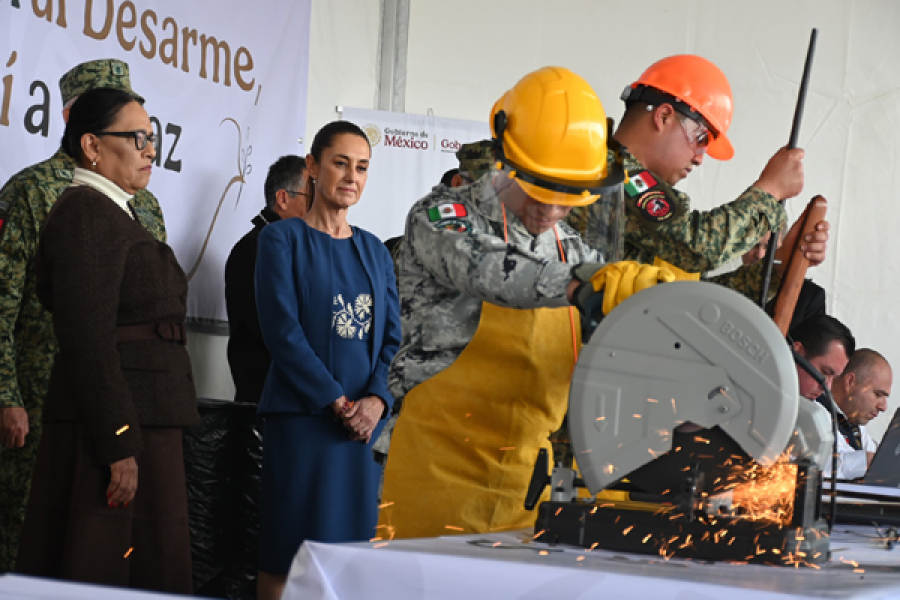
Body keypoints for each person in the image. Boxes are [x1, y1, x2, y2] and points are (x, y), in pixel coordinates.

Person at [378, 66, 689, 540]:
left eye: (567, 200)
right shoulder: (443, 219)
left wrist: (654, 301)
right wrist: (583, 285)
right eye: (539, 192)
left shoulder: (570, 249)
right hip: (427, 478)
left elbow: (611, 330)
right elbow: (492, 269)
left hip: (523, 491)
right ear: (505, 160)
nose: (549, 212)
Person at [15, 88, 197, 592]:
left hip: (144, 416)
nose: (150, 150)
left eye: (152, 138)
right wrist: (118, 442)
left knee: (143, 574)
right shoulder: (84, 212)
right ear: (92, 146)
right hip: (115, 429)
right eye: (136, 137)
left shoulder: (117, 211)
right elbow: (87, 336)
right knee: (100, 571)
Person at [253, 121, 401, 600]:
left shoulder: (376, 251)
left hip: (363, 435)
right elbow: (283, 334)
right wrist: (337, 403)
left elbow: (394, 340)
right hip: (303, 424)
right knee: (285, 554)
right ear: (313, 167)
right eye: (340, 163)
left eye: (361, 167)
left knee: (354, 558)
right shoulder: (281, 241)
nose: (351, 176)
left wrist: (377, 400)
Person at [566, 54, 828, 298]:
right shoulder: (607, 171)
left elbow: (687, 298)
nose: (700, 158)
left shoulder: (625, 182)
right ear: (664, 116)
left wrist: (780, 268)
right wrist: (769, 191)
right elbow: (700, 246)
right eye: (701, 138)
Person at [225, 155, 309, 405]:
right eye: (311, 196)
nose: (320, 206)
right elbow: (276, 331)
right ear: (283, 198)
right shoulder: (251, 251)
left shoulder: (301, 248)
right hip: (268, 402)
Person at [819, 349, 892, 480]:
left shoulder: (855, 422)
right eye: (878, 395)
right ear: (850, 382)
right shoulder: (812, 412)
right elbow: (812, 466)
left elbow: (874, 457)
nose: (883, 407)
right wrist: (865, 462)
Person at [789, 313, 856, 402]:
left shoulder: (820, 413)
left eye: (834, 378)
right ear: (797, 352)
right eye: (825, 372)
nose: (827, 387)